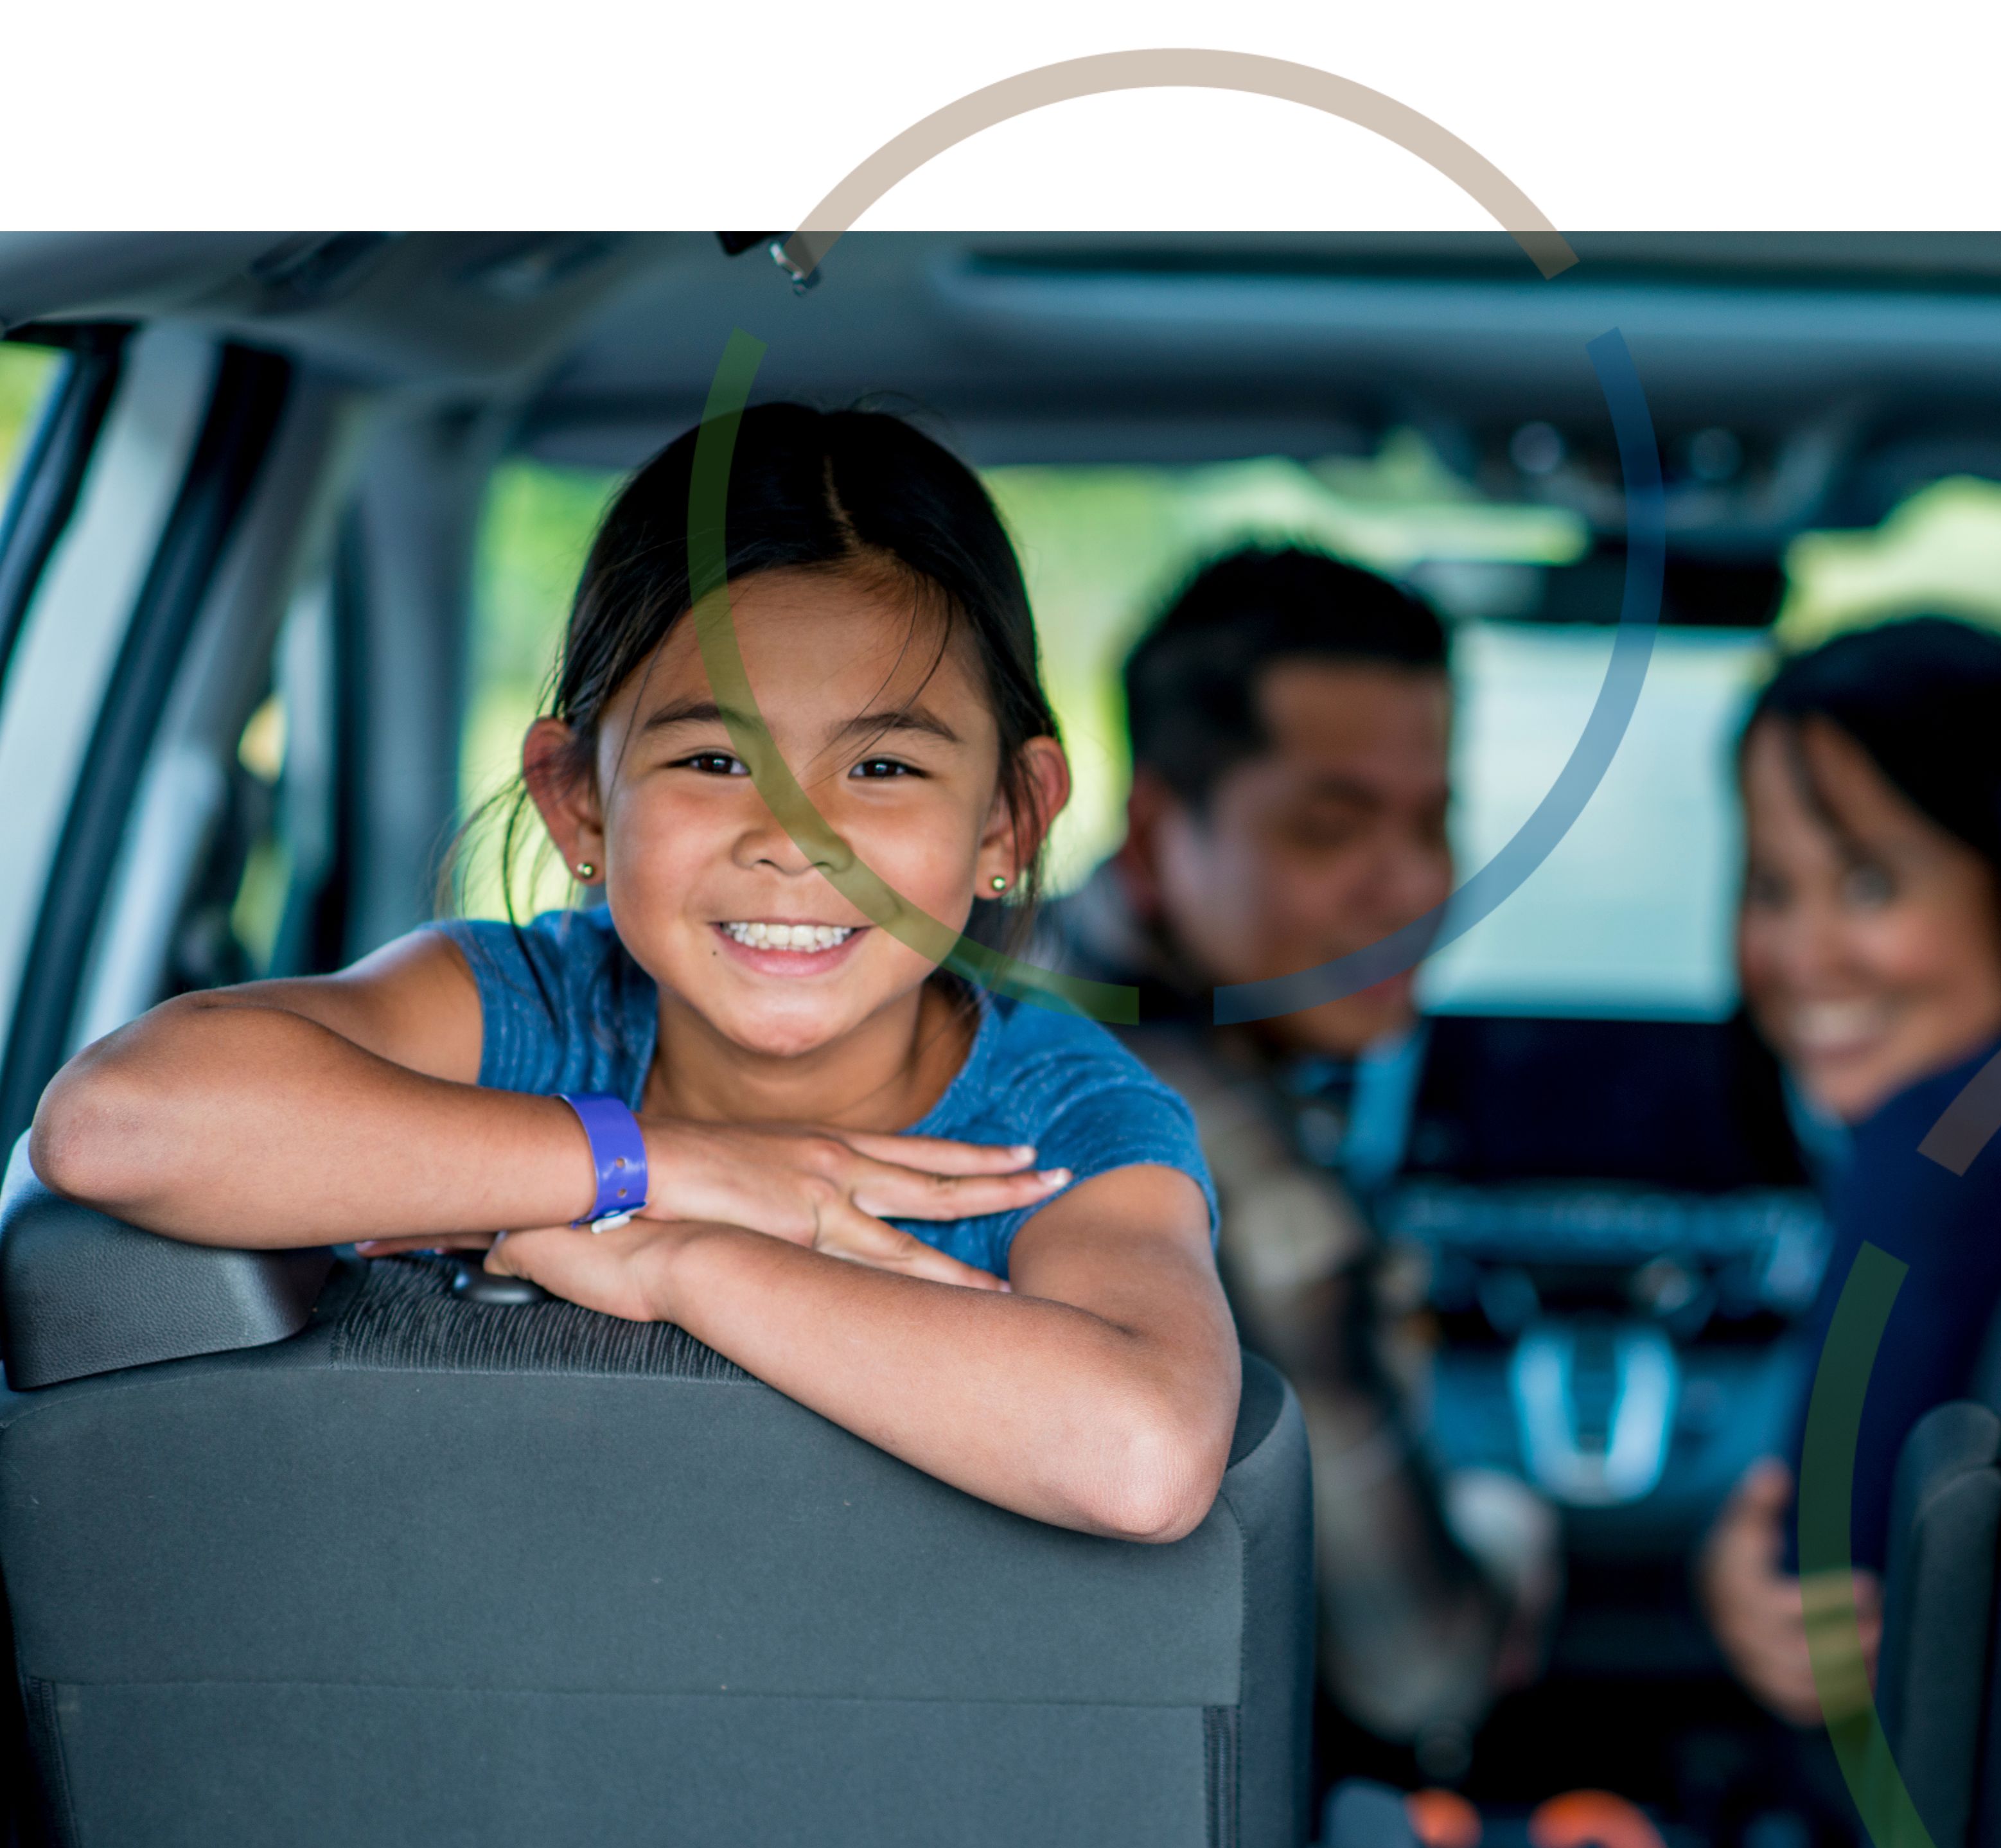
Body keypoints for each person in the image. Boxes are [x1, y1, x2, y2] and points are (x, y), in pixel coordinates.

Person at [30, 402, 1234, 1539]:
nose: (793, 840)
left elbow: (1139, 1458)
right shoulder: (529, 1014)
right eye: (713, 761)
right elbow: (114, 1128)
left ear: (1008, 824)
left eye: (883, 771)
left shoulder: (1054, 1123)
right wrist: (652, 1165)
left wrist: (681, 1258)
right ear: (577, 805)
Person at [1053, 545, 1556, 1782]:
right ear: (1162, 827)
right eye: (1332, 828)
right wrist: (1508, 1540)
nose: (1416, 887)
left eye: (1435, 821)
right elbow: (1414, 1674)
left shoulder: (992, 985)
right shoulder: (1227, 1167)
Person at [1692, 618, 2001, 1722]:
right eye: (1772, 889)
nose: (1803, 956)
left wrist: (1736, 1584)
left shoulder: (1946, 1144)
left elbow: (1819, 1591)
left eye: (1871, 884)